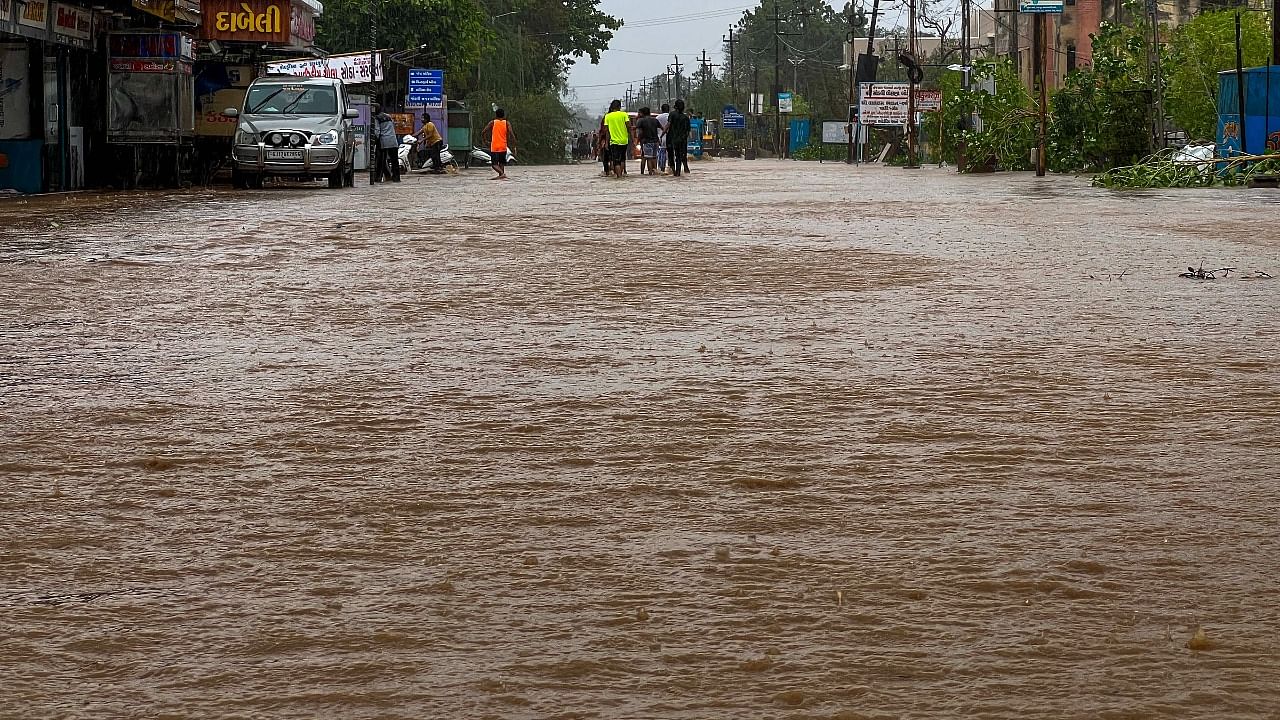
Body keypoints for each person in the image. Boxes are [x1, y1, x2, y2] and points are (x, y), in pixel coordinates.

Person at [480, 107, 514, 180]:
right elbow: (511, 133)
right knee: (501, 164)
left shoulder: (493, 122)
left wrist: (484, 140)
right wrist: (514, 143)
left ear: (496, 115)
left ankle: (502, 174)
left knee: (494, 165)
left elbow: (483, 132)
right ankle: (501, 177)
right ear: (503, 115)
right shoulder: (507, 123)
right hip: (503, 146)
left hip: (495, 146)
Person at [603, 99, 632, 179]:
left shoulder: (607, 116)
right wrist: (631, 138)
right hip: (624, 140)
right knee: (622, 159)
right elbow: (629, 127)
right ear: (619, 107)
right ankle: (621, 175)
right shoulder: (624, 114)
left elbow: (607, 131)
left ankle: (619, 177)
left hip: (614, 142)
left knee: (616, 161)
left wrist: (606, 142)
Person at [370, 103, 399, 183]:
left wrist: (373, 142)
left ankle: (378, 178)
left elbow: (377, 131)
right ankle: (396, 178)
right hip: (393, 140)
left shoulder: (376, 118)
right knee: (394, 161)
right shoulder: (388, 116)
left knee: (380, 161)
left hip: (383, 141)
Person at [666, 99, 691, 178]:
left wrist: (662, 133)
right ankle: (678, 172)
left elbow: (668, 125)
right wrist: (684, 138)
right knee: (679, 156)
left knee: (671, 155)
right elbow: (688, 131)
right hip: (681, 139)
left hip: (671, 138)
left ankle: (674, 172)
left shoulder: (672, 114)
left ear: (675, 107)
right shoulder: (686, 117)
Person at [635, 106, 660, 177]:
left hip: (646, 142)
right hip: (655, 141)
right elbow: (661, 128)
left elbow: (640, 132)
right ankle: (655, 171)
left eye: (639, 113)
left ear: (642, 113)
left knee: (647, 158)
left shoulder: (641, 121)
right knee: (654, 157)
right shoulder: (655, 120)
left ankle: (650, 173)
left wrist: (637, 141)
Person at [655, 103, 671, 175]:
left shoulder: (658, 117)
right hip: (670, 137)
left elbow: (655, 128)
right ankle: (671, 167)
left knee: (662, 153)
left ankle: (662, 168)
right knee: (671, 153)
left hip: (660, 137)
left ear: (661, 109)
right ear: (668, 109)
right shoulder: (671, 116)